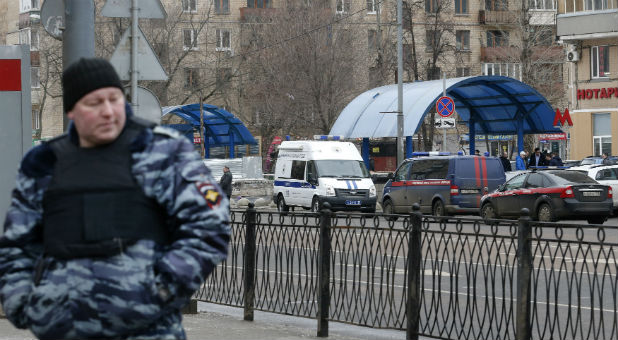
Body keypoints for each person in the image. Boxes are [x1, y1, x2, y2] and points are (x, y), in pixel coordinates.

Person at [0, 58, 231, 339]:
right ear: (72, 111)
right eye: (95, 103)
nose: (108, 112)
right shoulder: (43, 163)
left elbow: (210, 227)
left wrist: (160, 290)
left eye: (115, 99)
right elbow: (17, 245)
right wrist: (24, 304)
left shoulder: (163, 152)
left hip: (148, 331)